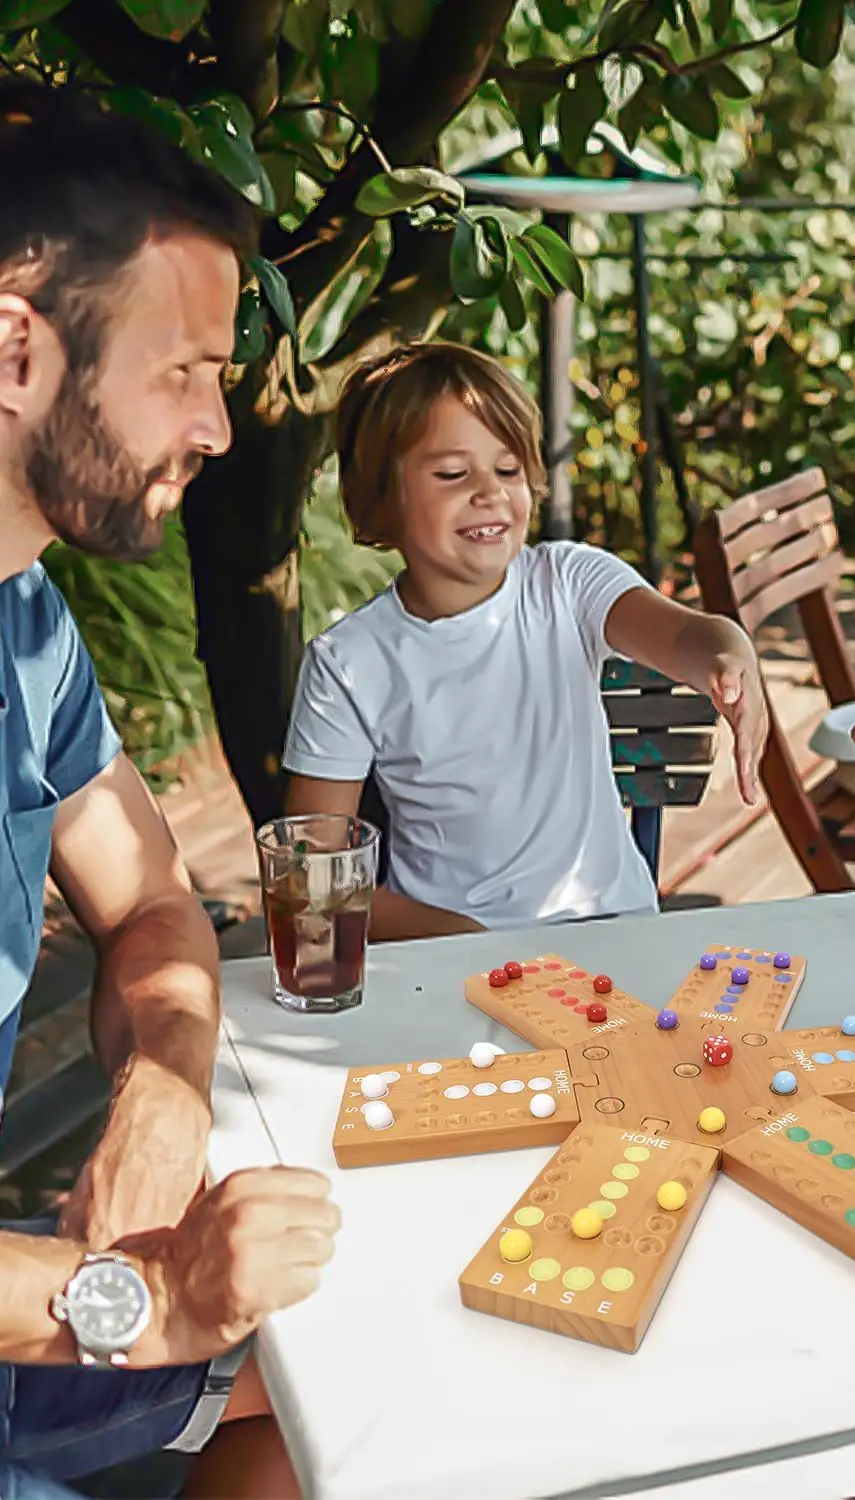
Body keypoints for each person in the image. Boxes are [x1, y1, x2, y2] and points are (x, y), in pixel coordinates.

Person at [0, 82, 338, 1498]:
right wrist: (134, 1302)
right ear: (17, 348)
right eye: (181, 369)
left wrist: (163, 1086)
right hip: (45, 1302)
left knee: (361, 1382)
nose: (217, 424)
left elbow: (155, 914)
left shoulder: (25, 626)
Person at [281, 341, 768, 941]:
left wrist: (729, 654)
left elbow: (687, 634)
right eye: (453, 473)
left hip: (614, 936)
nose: (489, 491)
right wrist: (464, 940)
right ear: (382, 497)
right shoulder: (348, 663)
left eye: (507, 469)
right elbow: (313, 880)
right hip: (447, 958)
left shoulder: (568, 582)